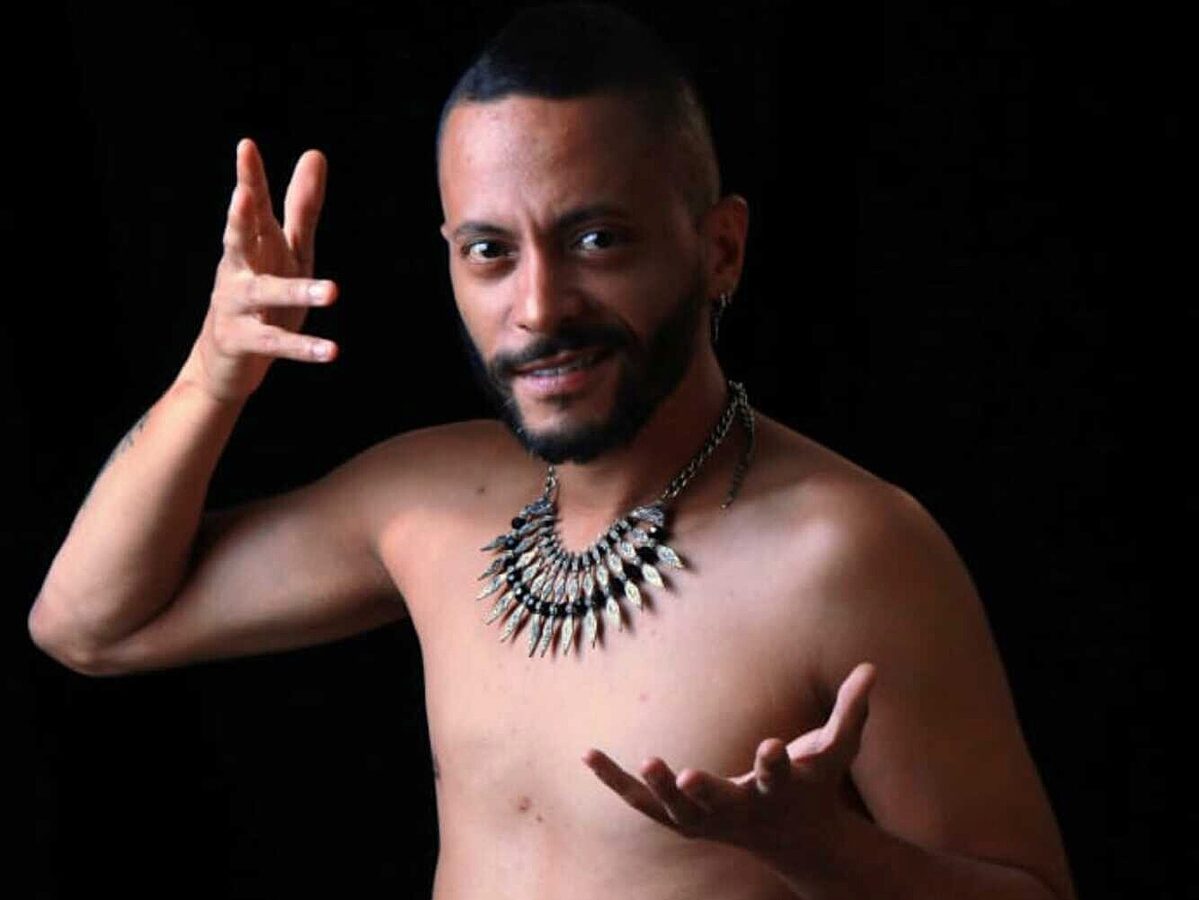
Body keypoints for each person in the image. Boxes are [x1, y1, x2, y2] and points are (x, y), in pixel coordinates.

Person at [28, 3, 1077, 898]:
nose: (536, 307)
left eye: (595, 239)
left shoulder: (847, 552)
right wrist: (214, 374)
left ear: (718, 249)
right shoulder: (423, 499)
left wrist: (826, 853)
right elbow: (87, 626)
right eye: (489, 251)